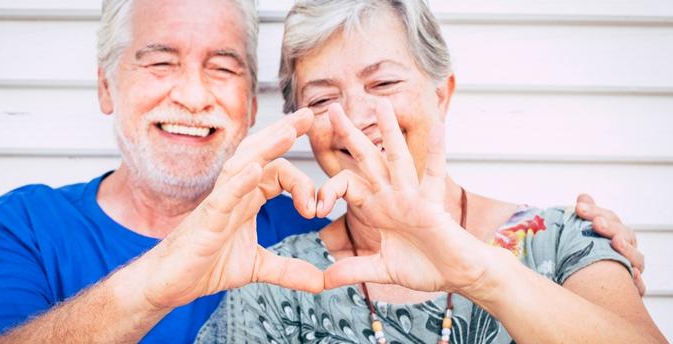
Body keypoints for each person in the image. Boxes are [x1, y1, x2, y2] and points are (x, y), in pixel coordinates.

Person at [0, 0, 645, 343]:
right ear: (106, 87)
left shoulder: (305, 219)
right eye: (159, 61)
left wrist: (574, 265)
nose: (354, 120)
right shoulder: (24, 227)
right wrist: (159, 281)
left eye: (222, 67)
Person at [195, 0, 666, 343]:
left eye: (383, 82)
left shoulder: (564, 239)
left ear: (441, 94)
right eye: (321, 99)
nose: (356, 117)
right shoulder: (278, 282)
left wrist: (479, 273)